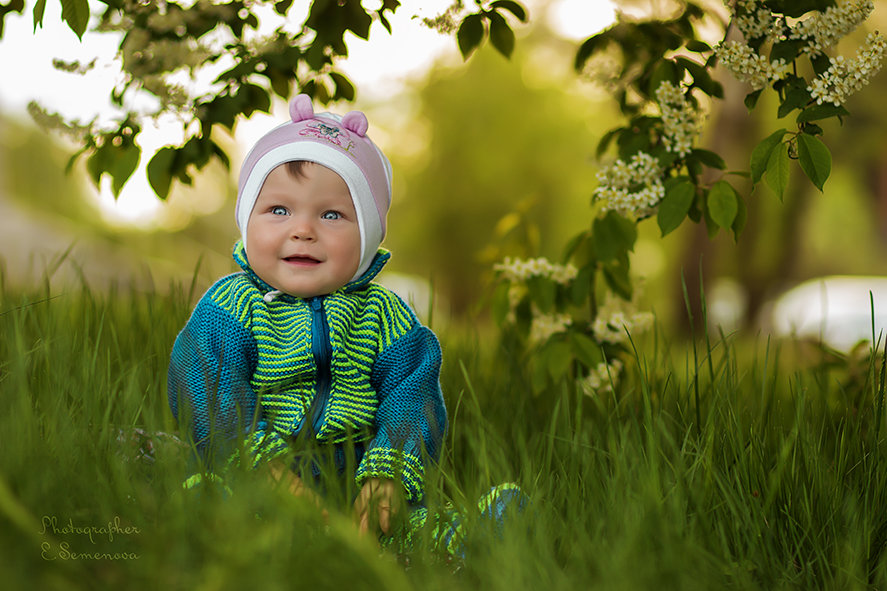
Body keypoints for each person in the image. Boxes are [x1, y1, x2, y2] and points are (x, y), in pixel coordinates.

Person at [167, 94, 526, 556]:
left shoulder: (385, 314)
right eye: (279, 210)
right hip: (261, 476)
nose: (303, 230)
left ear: (370, 237)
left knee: (409, 528)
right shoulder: (231, 305)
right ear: (245, 220)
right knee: (211, 493)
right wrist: (263, 469)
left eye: (332, 214)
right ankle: (253, 539)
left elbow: (413, 396)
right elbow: (205, 384)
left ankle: (469, 541)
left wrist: (388, 473)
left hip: (360, 485)